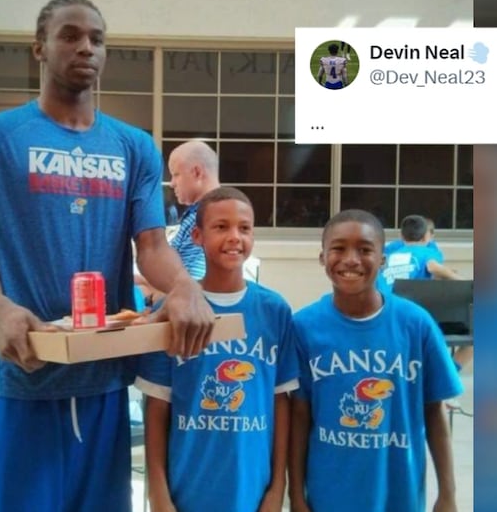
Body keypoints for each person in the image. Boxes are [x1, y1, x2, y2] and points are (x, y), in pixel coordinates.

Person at [0, 0, 215, 512]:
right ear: (39, 48)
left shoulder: (134, 147)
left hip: (104, 385)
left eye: (97, 39)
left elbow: (151, 246)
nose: (86, 46)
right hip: (21, 380)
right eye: (70, 35)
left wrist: (183, 286)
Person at [135, 187, 299, 512]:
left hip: (252, 491)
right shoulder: (174, 310)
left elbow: (281, 403)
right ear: (197, 236)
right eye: (221, 227)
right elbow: (155, 409)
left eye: (245, 228)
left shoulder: (274, 310)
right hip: (187, 491)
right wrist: (159, 496)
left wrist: (277, 489)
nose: (235, 236)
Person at [289, 209, 463, 512]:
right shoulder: (304, 327)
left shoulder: (416, 324)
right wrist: (296, 496)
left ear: (382, 261)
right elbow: (300, 417)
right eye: (339, 248)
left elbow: (435, 411)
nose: (352, 259)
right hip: (329, 496)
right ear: (322, 258)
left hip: (398, 494)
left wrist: (447, 494)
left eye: (365, 249)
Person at [136, 139, 221, 303]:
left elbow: (188, 287)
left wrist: (142, 284)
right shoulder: (198, 214)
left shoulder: (205, 218)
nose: (171, 183)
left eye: (176, 174)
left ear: (197, 172)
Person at [382, 214, 461, 289]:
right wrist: (463, 281)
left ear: (402, 237)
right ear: (425, 237)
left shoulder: (390, 256)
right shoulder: (429, 252)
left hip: (386, 299)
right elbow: (432, 267)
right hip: (412, 299)